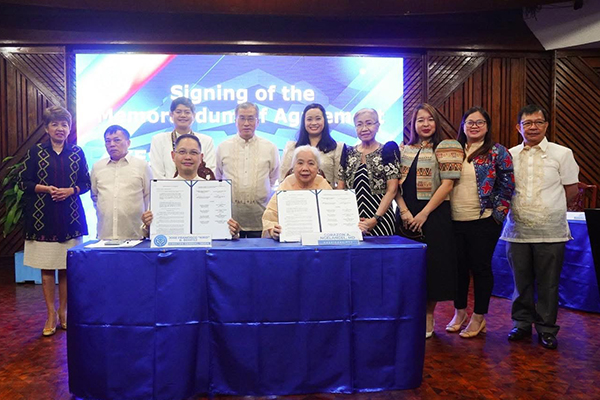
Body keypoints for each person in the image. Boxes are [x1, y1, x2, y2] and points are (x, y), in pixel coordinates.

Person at [501, 104, 579, 350]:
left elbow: (571, 189)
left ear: (546, 125)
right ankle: (521, 324)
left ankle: (546, 329)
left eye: (538, 122)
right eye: (527, 123)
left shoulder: (562, 153)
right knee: (520, 282)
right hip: (518, 229)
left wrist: (549, 209)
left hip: (551, 230)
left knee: (548, 283)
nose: (533, 127)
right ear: (518, 127)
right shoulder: (509, 154)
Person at [18, 106, 90, 336]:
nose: (60, 128)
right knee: (48, 268)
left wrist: (71, 190)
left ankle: (64, 312)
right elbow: (23, 182)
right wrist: (45, 189)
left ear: (69, 128)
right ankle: (50, 313)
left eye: (64, 124)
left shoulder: (77, 152)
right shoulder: (35, 152)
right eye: (55, 124)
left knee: (67, 268)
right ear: (47, 128)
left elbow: (86, 183)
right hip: (43, 217)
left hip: (70, 217)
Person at [396, 103, 464, 339]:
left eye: (430, 119)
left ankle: (428, 316)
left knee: (433, 268)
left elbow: (448, 184)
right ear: (413, 124)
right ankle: (408, 315)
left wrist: (424, 214)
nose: (425, 124)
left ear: (437, 122)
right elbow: (394, 186)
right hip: (405, 215)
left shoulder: (447, 147)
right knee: (406, 269)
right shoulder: (403, 149)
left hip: (434, 215)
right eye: (420, 120)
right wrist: (404, 212)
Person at [446, 107, 515, 338]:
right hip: (453, 219)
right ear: (463, 125)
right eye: (470, 122)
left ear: (487, 126)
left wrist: (497, 217)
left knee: (481, 268)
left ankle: (479, 317)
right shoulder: (452, 150)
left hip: (483, 220)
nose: (474, 126)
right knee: (458, 269)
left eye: (480, 122)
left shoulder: (498, 152)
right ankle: (460, 312)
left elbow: (507, 186)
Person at [142, 134, 241, 237]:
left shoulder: (216, 191)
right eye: (182, 152)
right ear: (173, 156)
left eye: (193, 152)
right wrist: (148, 225)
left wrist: (233, 232)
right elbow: (148, 234)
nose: (188, 157)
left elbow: (226, 232)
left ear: (201, 157)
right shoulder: (161, 191)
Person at [215, 102, 280, 238]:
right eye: (242, 118)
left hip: (260, 220)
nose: (246, 123)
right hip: (230, 222)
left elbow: (273, 178)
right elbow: (219, 178)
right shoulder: (222, 147)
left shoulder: (270, 148)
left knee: (259, 258)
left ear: (258, 122)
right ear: (235, 121)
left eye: (251, 118)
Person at [337, 108, 399, 236]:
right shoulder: (348, 152)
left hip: (381, 220)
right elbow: (341, 188)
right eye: (359, 124)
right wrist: (346, 218)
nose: (364, 128)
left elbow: (392, 189)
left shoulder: (387, 151)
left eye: (369, 123)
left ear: (378, 126)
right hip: (353, 221)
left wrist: (376, 218)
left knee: (382, 255)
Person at [90, 125, 152, 240]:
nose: (112, 144)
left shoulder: (142, 166)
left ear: (128, 142)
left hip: (135, 235)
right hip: (105, 236)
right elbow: (95, 196)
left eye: (117, 140)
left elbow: (149, 197)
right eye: (108, 141)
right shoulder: (97, 167)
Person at [263, 145, 332, 239]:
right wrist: (273, 230)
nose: (305, 168)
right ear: (293, 167)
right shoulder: (286, 185)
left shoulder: (323, 185)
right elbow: (270, 217)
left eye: (311, 163)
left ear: (318, 168)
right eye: (300, 163)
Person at [150, 97, 216, 178]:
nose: (183, 115)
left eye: (187, 112)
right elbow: (157, 174)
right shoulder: (158, 140)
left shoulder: (206, 141)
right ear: (171, 114)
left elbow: (209, 171)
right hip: (167, 189)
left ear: (194, 115)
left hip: (198, 188)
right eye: (178, 112)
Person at [279, 103, 344, 187]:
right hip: (296, 197)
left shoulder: (337, 148)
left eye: (318, 119)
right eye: (309, 119)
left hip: (325, 196)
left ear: (324, 120)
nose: (313, 123)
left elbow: (339, 182)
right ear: (304, 122)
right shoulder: (291, 147)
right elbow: (283, 178)